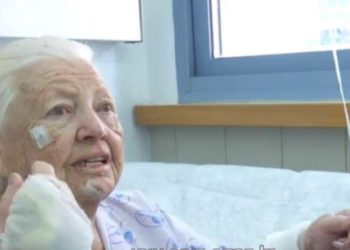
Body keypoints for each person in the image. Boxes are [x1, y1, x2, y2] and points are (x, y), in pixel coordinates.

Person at [0, 36, 349, 250]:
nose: (96, 128)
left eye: (105, 107)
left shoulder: (136, 213)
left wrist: (302, 243)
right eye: (59, 110)